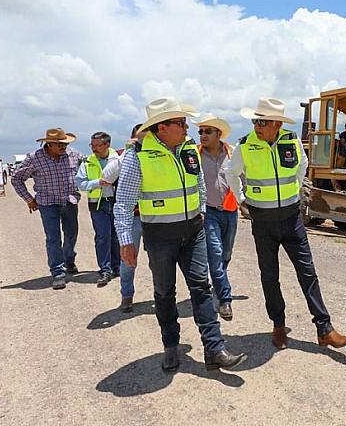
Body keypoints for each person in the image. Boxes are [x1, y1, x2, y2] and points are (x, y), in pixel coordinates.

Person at [114, 97, 246, 372]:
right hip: (160, 235)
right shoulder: (137, 155)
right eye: (181, 123)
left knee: (201, 287)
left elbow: (198, 182)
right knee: (164, 293)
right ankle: (171, 346)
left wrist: (200, 212)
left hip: (192, 231)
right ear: (162, 128)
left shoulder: (188, 149)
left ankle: (215, 349)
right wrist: (126, 241)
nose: (187, 128)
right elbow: (124, 202)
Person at [225, 98, 346, 350]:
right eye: (254, 121)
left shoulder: (291, 141)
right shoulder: (245, 146)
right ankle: (278, 325)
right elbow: (231, 173)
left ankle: (324, 329)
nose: (256, 126)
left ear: (276, 123)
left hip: (292, 219)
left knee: (308, 273)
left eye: (261, 121)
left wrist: (293, 194)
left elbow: (302, 167)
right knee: (270, 276)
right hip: (263, 221)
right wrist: (241, 198)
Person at [12, 128, 85, 290]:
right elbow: (16, 178)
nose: (63, 147)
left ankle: (69, 259)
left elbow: (90, 165)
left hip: (70, 200)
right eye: (59, 144)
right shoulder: (34, 158)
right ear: (48, 144)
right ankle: (58, 272)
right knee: (53, 237)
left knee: (71, 233)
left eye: (65, 143)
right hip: (47, 202)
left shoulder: (74, 155)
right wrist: (28, 199)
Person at [194, 114, 239, 321]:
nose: (202, 135)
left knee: (226, 254)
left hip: (230, 211)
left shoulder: (232, 153)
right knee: (216, 253)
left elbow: (243, 177)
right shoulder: (195, 154)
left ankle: (219, 279)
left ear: (218, 134)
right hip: (209, 211)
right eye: (200, 131)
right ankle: (225, 299)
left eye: (207, 131)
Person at [102, 123, 146, 312]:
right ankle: (126, 295)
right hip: (132, 216)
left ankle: (161, 296)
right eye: (141, 137)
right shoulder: (123, 155)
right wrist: (127, 153)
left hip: (153, 216)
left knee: (158, 261)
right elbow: (107, 176)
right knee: (128, 259)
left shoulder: (156, 154)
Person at [75, 132, 120, 287]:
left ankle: (117, 266)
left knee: (116, 236)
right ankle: (105, 269)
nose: (94, 149)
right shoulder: (88, 162)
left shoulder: (119, 159)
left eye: (97, 145)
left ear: (107, 145)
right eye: (92, 145)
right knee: (102, 236)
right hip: (98, 204)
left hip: (116, 202)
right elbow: (80, 183)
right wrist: (96, 183)